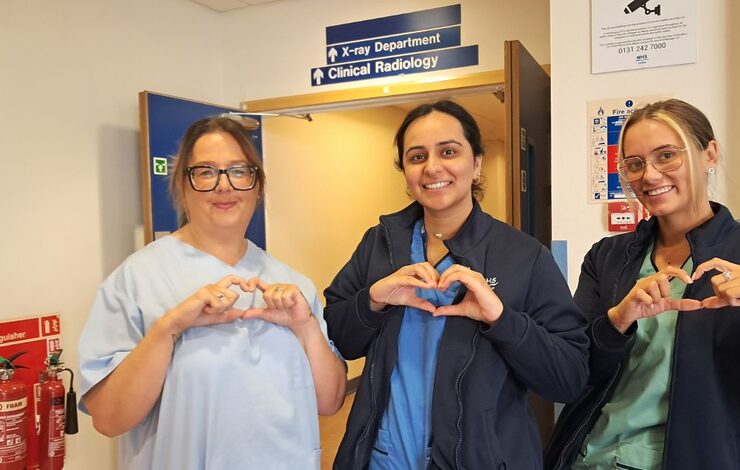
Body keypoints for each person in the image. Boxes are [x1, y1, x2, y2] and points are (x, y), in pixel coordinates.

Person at [325, 100, 589, 469]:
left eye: (448, 151)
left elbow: (569, 377)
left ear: (477, 162)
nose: (432, 167)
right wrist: (372, 300)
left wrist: (501, 319)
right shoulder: (380, 243)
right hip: (384, 459)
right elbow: (340, 335)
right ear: (405, 170)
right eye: (417, 156)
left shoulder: (524, 257)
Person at [78, 116, 346, 470]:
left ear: (257, 185)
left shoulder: (290, 282)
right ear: (182, 185)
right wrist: (168, 328)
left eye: (239, 171)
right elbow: (109, 419)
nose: (224, 186)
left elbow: (330, 402)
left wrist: (306, 327)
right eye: (205, 172)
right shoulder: (138, 279)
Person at [545, 99, 740, 469]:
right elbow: (572, 370)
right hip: (590, 456)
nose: (649, 176)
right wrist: (617, 321)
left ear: (709, 154)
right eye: (635, 164)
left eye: (666, 155)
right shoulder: (607, 257)